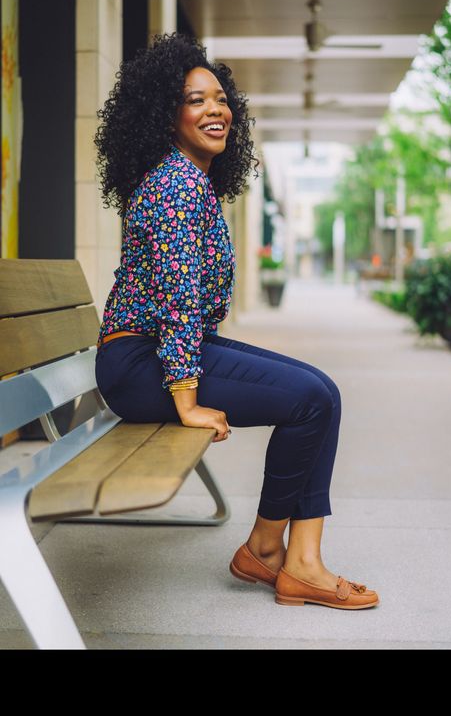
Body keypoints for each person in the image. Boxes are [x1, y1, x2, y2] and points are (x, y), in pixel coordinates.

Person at [94, 32, 379, 610]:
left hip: (162, 352)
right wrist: (187, 400)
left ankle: (287, 556)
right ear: (164, 115)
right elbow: (177, 298)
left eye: (220, 99)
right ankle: (279, 556)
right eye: (195, 100)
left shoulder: (191, 180)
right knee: (313, 400)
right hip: (142, 363)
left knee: (320, 392)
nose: (214, 110)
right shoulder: (174, 184)